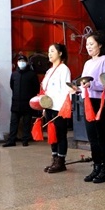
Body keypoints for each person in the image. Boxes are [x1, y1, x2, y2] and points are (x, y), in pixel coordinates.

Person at [80, 32, 105, 183]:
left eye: (91, 44)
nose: (88, 47)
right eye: (87, 44)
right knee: (92, 137)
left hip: (100, 102)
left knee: (102, 136)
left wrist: (91, 84)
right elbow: (84, 83)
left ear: (100, 45)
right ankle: (96, 166)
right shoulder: (87, 63)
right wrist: (78, 89)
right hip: (88, 101)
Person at [41, 43, 71, 173]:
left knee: (60, 134)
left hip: (59, 108)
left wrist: (65, 107)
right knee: (52, 133)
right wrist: (44, 107)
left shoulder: (64, 69)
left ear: (60, 53)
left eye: (52, 51)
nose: (49, 54)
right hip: (49, 107)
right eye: (48, 51)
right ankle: (54, 158)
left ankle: (61, 161)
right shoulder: (49, 71)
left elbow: (67, 90)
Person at [3, 54, 40, 147]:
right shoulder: (14, 74)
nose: (21, 63)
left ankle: (25, 140)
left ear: (27, 63)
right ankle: (11, 140)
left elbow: (36, 88)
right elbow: (12, 86)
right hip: (16, 102)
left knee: (26, 122)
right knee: (13, 122)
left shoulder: (32, 74)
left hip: (27, 103)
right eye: (19, 61)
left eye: (23, 61)